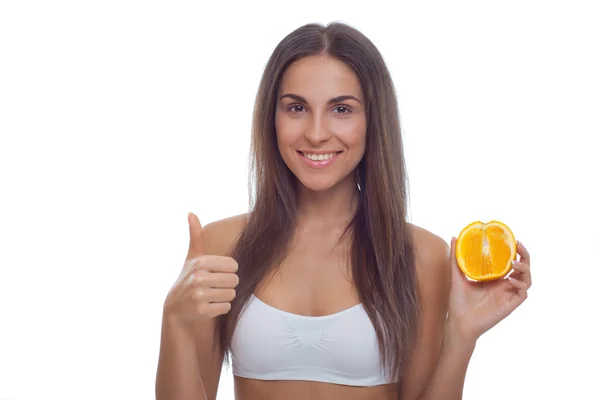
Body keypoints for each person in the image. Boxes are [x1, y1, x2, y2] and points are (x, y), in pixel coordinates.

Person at [155, 22, 532, 400]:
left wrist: (462, 334)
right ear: (273, 118)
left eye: (341, 109)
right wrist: (175, 318)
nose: (317, 133)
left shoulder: (422, 255)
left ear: (373, 121)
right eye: (297, 107)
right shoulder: (222, 245)